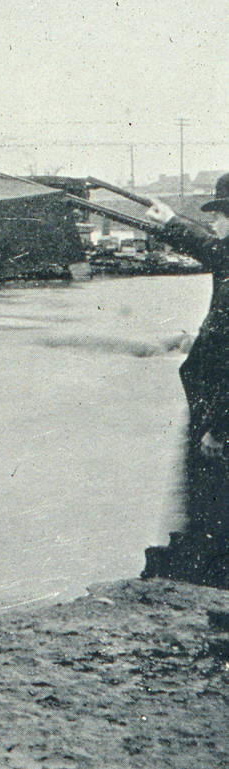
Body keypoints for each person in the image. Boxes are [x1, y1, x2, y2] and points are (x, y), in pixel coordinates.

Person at [145, 173, 229, 582]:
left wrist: (220, 428)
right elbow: (212, 249)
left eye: (219, 215)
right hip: (212, 406)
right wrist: (171, 220)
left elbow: (213, 250)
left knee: (209, 502)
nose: (214, 222)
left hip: (218, 416)